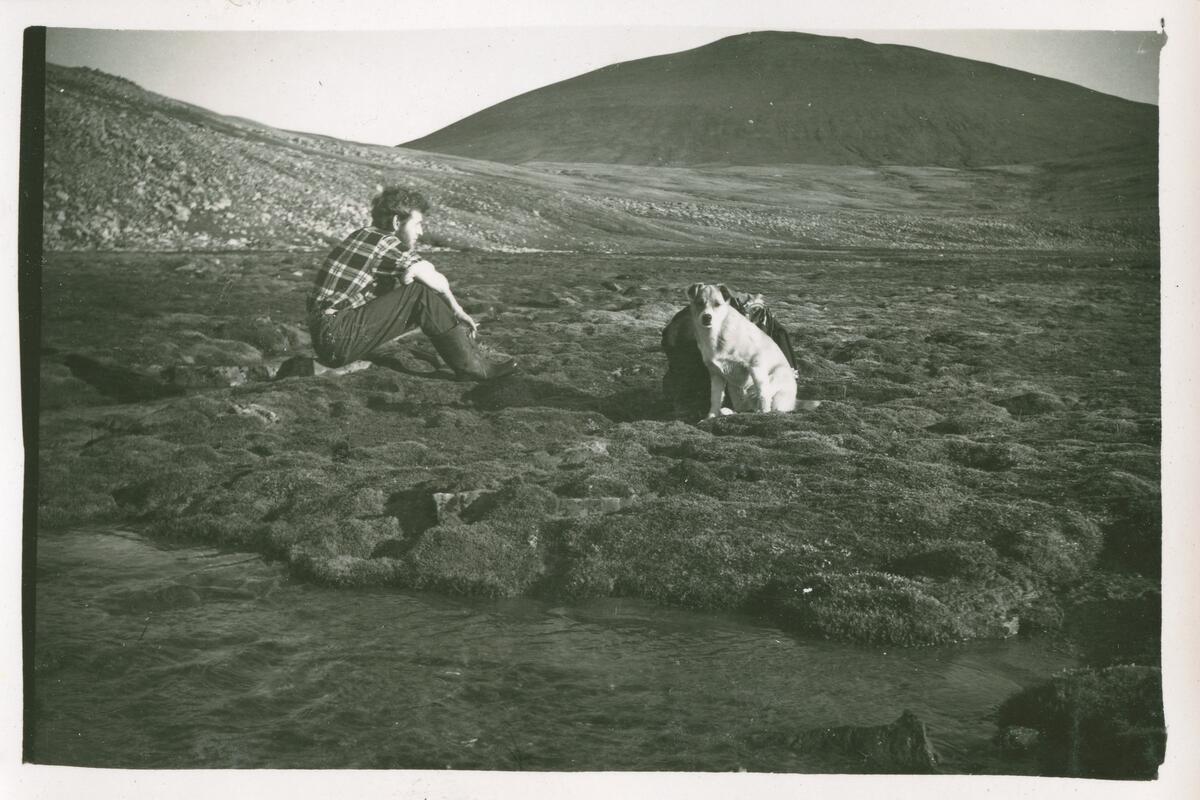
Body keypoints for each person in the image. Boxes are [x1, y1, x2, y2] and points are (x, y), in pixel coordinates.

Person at [304, 185, 517, 381]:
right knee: (418, 293)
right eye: (417, 224)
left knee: (412, 289)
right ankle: (474, 368)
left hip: (328, 335)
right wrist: (457, 309)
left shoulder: (363, 235)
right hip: (337, 335)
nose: (420, 232)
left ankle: (466, 361)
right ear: (397, 222)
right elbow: (436, 280)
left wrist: (418, 271)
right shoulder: (385, 242)